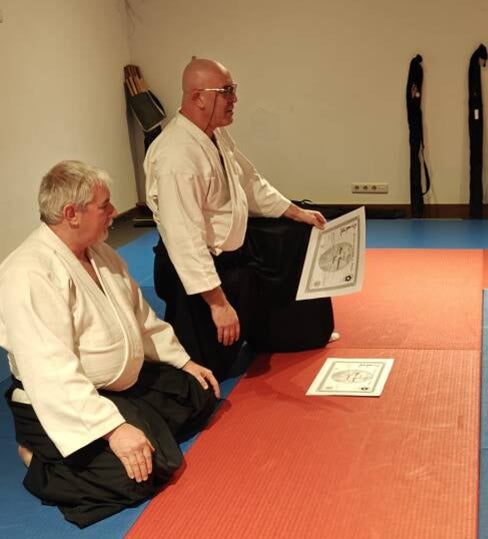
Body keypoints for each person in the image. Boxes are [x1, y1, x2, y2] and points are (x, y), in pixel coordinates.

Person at [0, 161, 220, 528]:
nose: (114, 212)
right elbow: (49, 369)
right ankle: (36, 457)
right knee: (139, 476)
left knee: (197, 393)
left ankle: (138, 423)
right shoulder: (28, 273)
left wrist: (183, 362)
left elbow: (142, 318)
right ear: (72, 214)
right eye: (104, 206)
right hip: (61, 399)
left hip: (119, 386)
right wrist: (113, 429)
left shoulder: (99, 253)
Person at [145, 58, 334, 380]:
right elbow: (184, 239)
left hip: (233, 257)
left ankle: (285, 328)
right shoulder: (177, 156)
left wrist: (294, 211)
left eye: (234, 90)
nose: (235, 99)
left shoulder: (214, 134)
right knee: (209, 371)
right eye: (226, 91)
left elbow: (248, 181)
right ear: (197, 96)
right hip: (194, 273)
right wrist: (218, 305)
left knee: (297, 231)